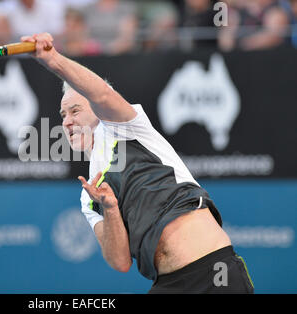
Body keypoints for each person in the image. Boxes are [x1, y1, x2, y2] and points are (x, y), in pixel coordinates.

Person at [21, 32, 255, 293]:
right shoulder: (89, 198)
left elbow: (103, 96)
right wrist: (109, 208)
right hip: (166, 284)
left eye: (75, 110)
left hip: (213, 272)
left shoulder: (123, 127)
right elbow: (119, 261)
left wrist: (53, 60)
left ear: (97, 112)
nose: (66, 121)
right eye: (63, 115)